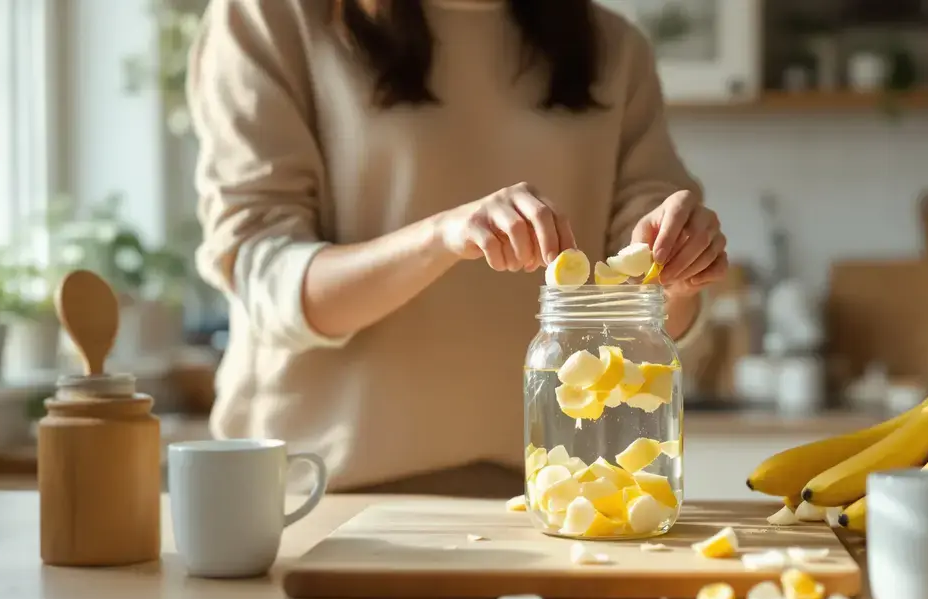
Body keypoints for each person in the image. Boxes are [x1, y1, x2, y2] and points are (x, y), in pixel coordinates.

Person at [186, 0, 728, 497]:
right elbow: (268, 278)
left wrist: (677, 274)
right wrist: (442, 236)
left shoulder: (613, 47)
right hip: (317, 498)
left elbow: (647, 309)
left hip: (559, 499)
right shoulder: (272, 17)